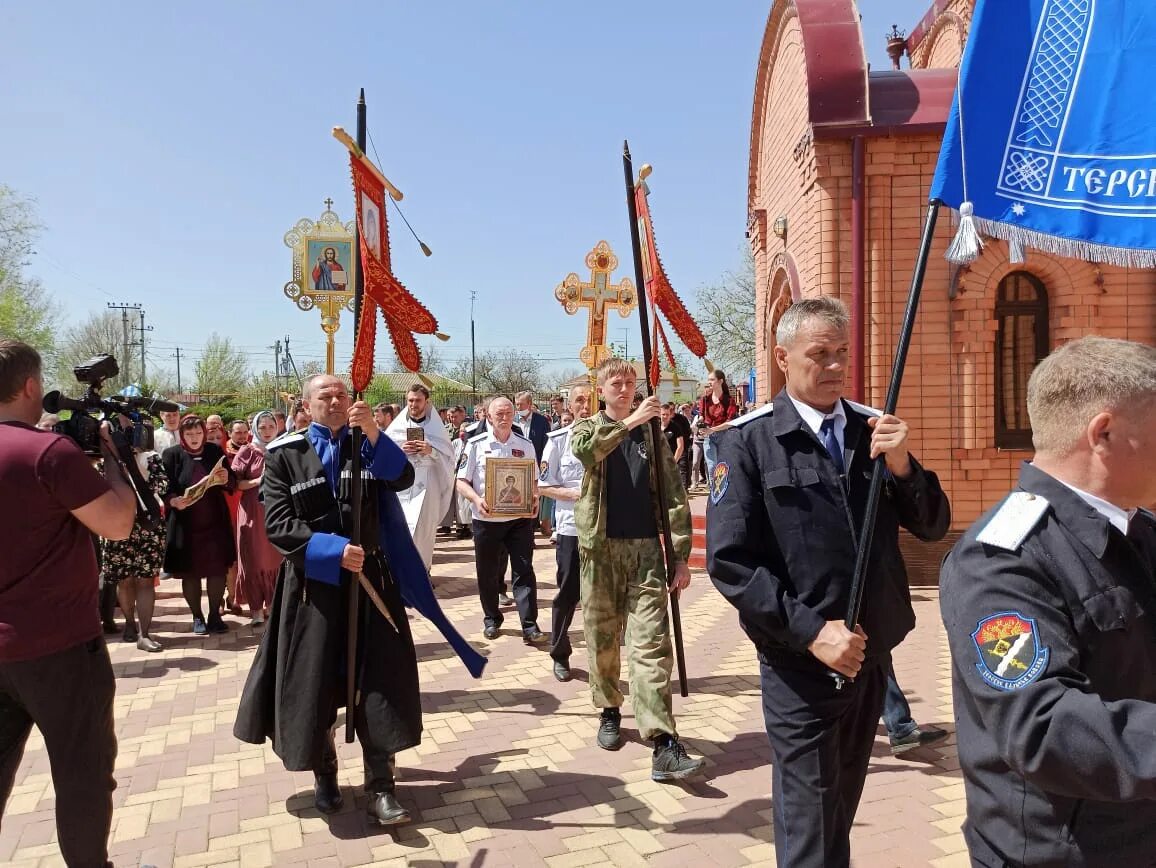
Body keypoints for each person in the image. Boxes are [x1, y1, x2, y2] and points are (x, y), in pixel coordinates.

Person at [706, 297, 950, 868]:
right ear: (783, 357)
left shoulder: (876, 432)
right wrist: (813, 632)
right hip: (801, 664)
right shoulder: (747, 442)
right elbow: (731, 562)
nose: (836, 365)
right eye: (820, 353)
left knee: (838, 807)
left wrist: (905, 468)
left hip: (869, 656)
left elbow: (933, 524)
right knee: (810, 825)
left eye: (843, 352)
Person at [940, 336, 1156, 866]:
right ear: (1103, 433)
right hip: (1063, 852)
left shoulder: (1139, 528)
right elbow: (1042, 725)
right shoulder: (998, 560)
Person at [235, 374, 485, 825]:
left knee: (380, 682)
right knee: (315, 685)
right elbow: (278, 524)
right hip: (314, 587)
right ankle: (325, 773)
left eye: (342, 394)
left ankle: (381, 784)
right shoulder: (284, 456)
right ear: (307, 405)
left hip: (372, 581)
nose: (335, 401)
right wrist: (331, 551)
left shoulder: (367, 445)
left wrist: (372, 432)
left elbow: (403, 475)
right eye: (324, 396)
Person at [0, 339, 136, 867]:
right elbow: (119, 523)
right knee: (82, 773)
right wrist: (116, 464)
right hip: (58, 647)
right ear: (32, 386)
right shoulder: (48, 453)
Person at [570, 357, 705, 780]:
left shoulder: (651, 432)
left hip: (646, 552)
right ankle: (609, 708)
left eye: (630, 382)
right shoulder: (587, 426)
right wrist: (630, 424)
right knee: (603, 638)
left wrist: (679, 555)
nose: (625, 389)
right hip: (600, 551)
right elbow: (586, 452)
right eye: (616, 383)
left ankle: (663, 742)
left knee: (650, 648)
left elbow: (674, 494)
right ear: (601, 388)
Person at [456, 396, 546, 643]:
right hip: (486, 520)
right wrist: (476, 499)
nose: (504, 418)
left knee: (524, 571)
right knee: (487, 573)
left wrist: (535, 498)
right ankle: (492, 619)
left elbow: (534, 480)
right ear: (488, 416)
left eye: (508, 413)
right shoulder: (475, 444)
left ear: (514, 414)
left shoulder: (525, 445)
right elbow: (461, 481)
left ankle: (530, 625)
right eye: (499, 414)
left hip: (518, 520)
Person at [161, 414, 236, 636]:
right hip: (186, 525)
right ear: (182, 436)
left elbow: (231, 481)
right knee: (190, 573)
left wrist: (224, 479)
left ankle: (214, 615)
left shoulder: (214, 451)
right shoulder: (171, 455)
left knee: (217, 571)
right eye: (189, 434)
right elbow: (165, 487)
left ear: (204, 433)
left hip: (214, 524)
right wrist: (173, 501)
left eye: (198, 433)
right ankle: (197, 616)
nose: (194, 438)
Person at [538, 384, 592, 682]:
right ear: (569, 407)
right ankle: (559, 652)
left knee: (604, 596)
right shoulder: (558, 442)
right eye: (579, 401)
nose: (585, 406)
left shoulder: (608, 436)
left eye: (589, 400)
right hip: (572, 528)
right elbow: (543, 485)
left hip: (605, 528)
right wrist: (575, 494)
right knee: (568, 593)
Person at [103, 441, 168, 652]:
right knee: (124, 580)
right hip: (118, 524)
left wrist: (137, 471)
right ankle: (129, 624)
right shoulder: (106, 461)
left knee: (145, 581)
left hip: (147, 525)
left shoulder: (151, 458)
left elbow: (163, 485)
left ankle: (145, 633)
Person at [384, 385, 455, 573]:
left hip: (428, 483)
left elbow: (449, 458)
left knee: (424, 530)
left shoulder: (436, 429)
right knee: (401, 528)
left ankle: (423, 572)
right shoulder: (397, 427)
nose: (414, 404)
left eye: (418, 400)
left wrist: (430, 450)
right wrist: (401, 451)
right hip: (401, 484)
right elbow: (384, 452)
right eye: (410, 400)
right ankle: (400, 575)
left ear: (427, 401)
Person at [231, 411, 283, 626]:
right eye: (263, 427)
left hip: (276, 510)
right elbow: (236, 484)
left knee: (274, 558)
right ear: (255, 429)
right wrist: (258, 481)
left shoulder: (282, 448)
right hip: (252, 511)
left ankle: (272, 605)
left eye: (271, 426)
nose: (268, 431)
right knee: (254, 559)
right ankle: (255, 609)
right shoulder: (247, 451)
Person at [699, 370, 739, 481]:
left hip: (724, 436)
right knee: (712, 467)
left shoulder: (729, 400)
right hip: (709, 437)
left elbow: (730, 422)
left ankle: (725, 492)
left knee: (724, 466)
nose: (709, 382)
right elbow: (702, 416)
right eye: (708, 380)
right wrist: (699, 425)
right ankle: (714, 495)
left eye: (712, 379)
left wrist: (713, 429)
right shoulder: (705, 399)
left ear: (720, 381)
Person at [660, 402, 692, 491]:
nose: (665, 417)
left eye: (667, 414)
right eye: (663, 414)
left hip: (672, 457)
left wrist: (673, 461)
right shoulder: (655, 426)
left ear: (670, 415)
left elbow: (680, 446)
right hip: (659, 457)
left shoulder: (675, 427)